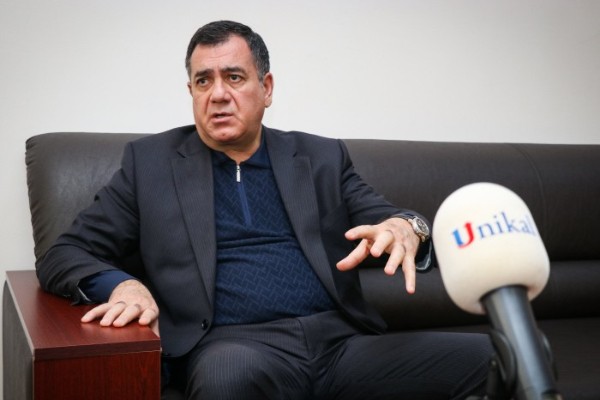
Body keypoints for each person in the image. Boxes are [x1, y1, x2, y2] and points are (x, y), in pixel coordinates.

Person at [37, 20, 492, 399]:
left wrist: (407, 227)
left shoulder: (320, 157)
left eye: (234, 77)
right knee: (225, 380)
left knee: (497, 358)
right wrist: (124, 285)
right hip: (234, 347)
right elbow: (64, 253)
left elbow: (394, 217)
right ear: (191, 91)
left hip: (340, 343)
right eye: (203, 81)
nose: (217, 94)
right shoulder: (150, 165)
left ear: (266, 87)